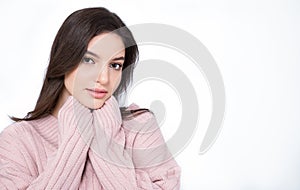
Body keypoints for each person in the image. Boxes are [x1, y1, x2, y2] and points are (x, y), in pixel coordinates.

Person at [0, 7, 181, 189]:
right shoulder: (19, 140)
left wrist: (105, 138)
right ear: (64, 59)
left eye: (115, 65)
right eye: (89, 60)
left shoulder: (139, 126)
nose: (104, 78)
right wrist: (76, 134)